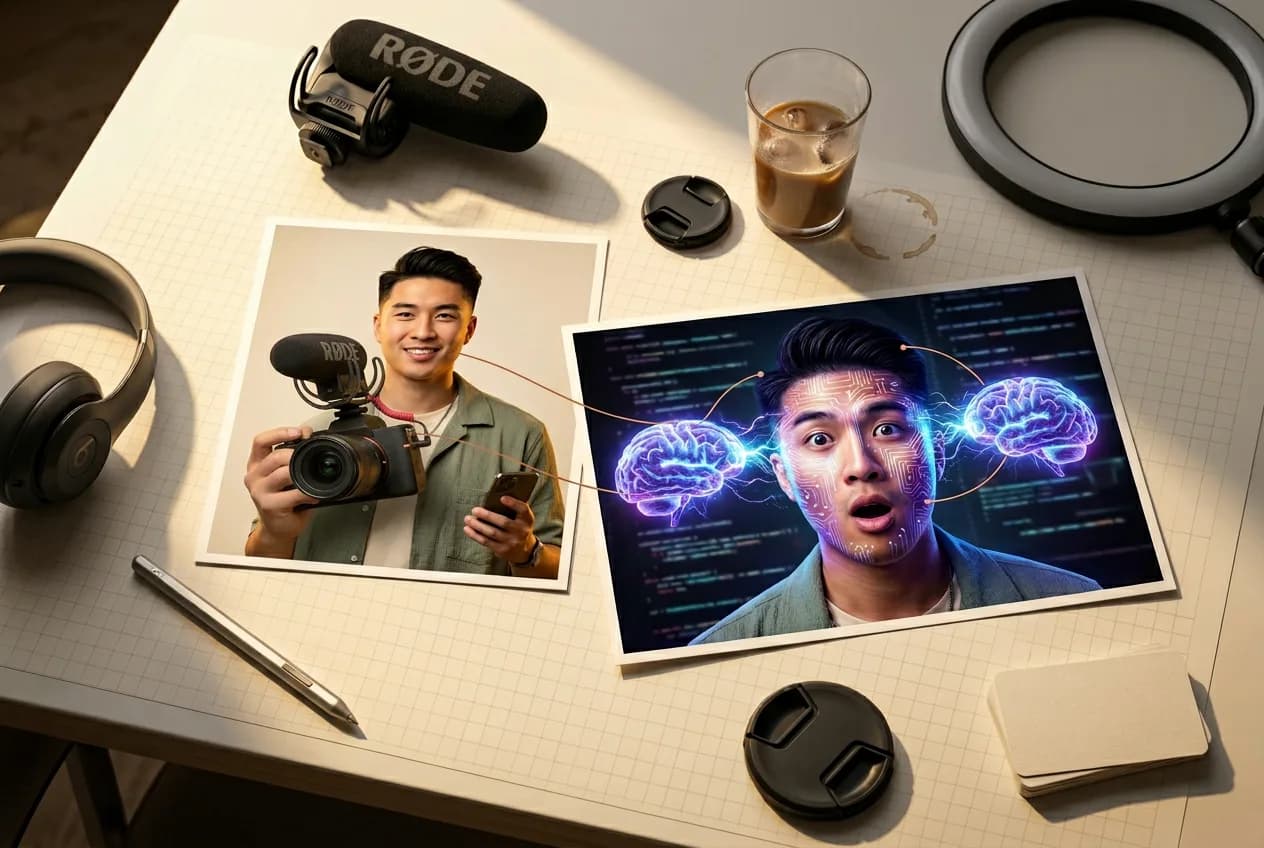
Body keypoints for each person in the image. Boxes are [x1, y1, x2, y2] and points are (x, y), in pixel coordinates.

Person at [691, 316, 1100, 644]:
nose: (861, 465)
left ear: (937, 453)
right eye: (819, 439)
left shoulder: (1072, 604)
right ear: (784, 476)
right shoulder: (726, 651)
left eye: (886, 429)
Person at [243, 247, 564, 579]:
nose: (423, 331)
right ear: (378, 326)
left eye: (444, 316)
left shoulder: (520, 435)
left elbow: (560, 571)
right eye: (406, 314)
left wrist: (526, 552)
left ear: (469, 329)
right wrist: (274, 531)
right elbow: (262, 569)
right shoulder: (319, 434)